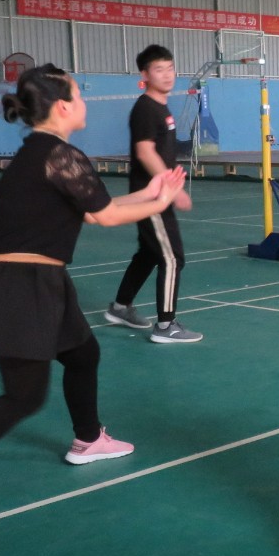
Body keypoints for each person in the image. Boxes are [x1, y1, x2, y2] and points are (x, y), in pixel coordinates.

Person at [0, 64, 187, 514]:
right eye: (78, 95)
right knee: (24, 396)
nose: (83, 103)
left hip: (42, 281)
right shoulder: (61, 155)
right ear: (62, 107)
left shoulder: (42, 153)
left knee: (83, 354)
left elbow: (95, 207)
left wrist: (151, 193)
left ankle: (88, 439)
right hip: (19, 287)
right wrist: (160, 200)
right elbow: (105, 217)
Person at [105, 44, 201, 343]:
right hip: (151, 197)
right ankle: (166, 325)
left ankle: (121, 307)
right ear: (145, 75)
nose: (167, 74)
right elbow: (145, 151)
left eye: (170, 68)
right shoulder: (146, 108)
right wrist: (172, 189)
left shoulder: (161, 107)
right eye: (159, 69)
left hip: (158, 193)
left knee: (149, 252)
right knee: (172, 258)